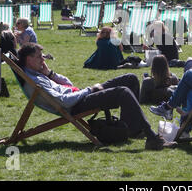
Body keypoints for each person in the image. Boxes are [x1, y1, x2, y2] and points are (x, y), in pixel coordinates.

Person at [17, 43, 176, 150]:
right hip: (76, 105)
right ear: (29, 60)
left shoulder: (38, 74)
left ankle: (132, 129)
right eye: (39, 56)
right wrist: (90, 90)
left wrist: (50, 73)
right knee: (123, 92)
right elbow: (64, 102)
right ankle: (151, 138)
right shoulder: (35, 81)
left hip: (79, 96)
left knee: (131, 79)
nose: (43, 59)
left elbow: (68, 85)